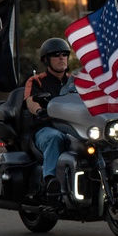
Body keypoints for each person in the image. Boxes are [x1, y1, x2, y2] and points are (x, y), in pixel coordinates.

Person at [24, 37, 73, 200]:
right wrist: (38, 110)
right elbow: (30, 100)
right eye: (56, 55)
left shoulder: (75, 81)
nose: (61, 58)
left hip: (73, 128)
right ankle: (51, 182)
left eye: (64, 54)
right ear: (46, 60)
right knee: (55, 137)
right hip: (45, 128)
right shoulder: (37, 80)